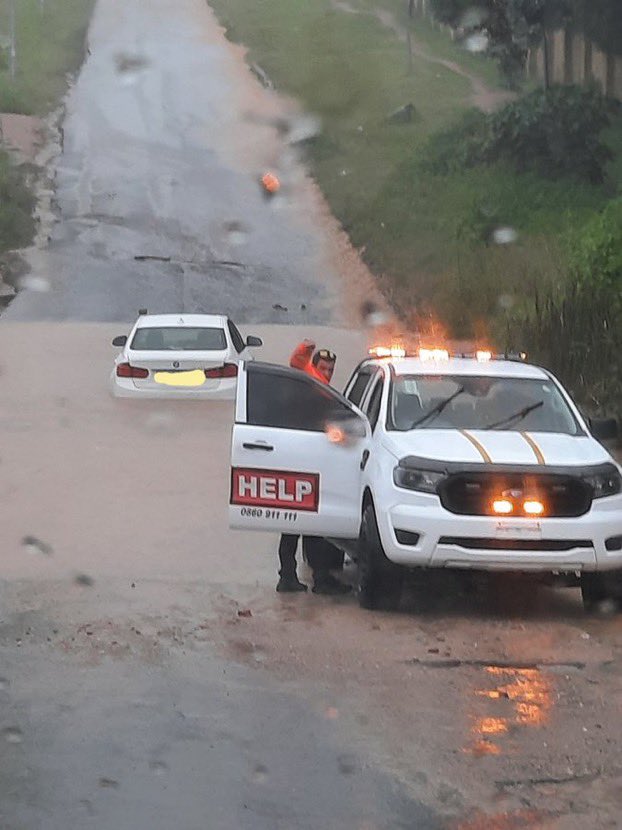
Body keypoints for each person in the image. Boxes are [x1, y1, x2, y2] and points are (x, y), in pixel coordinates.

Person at [276, 340, 351, 596]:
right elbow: (297, 361)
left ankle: (306, 577)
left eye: (331, 369)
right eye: (323, 367)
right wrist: (308, 347)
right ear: (315, 366)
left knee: (307, 523)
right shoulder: (310, 382)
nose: (327, 373)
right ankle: (295, 577)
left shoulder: (329, 394)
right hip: (299, 463)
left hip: (314, 464)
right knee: (295, 522)